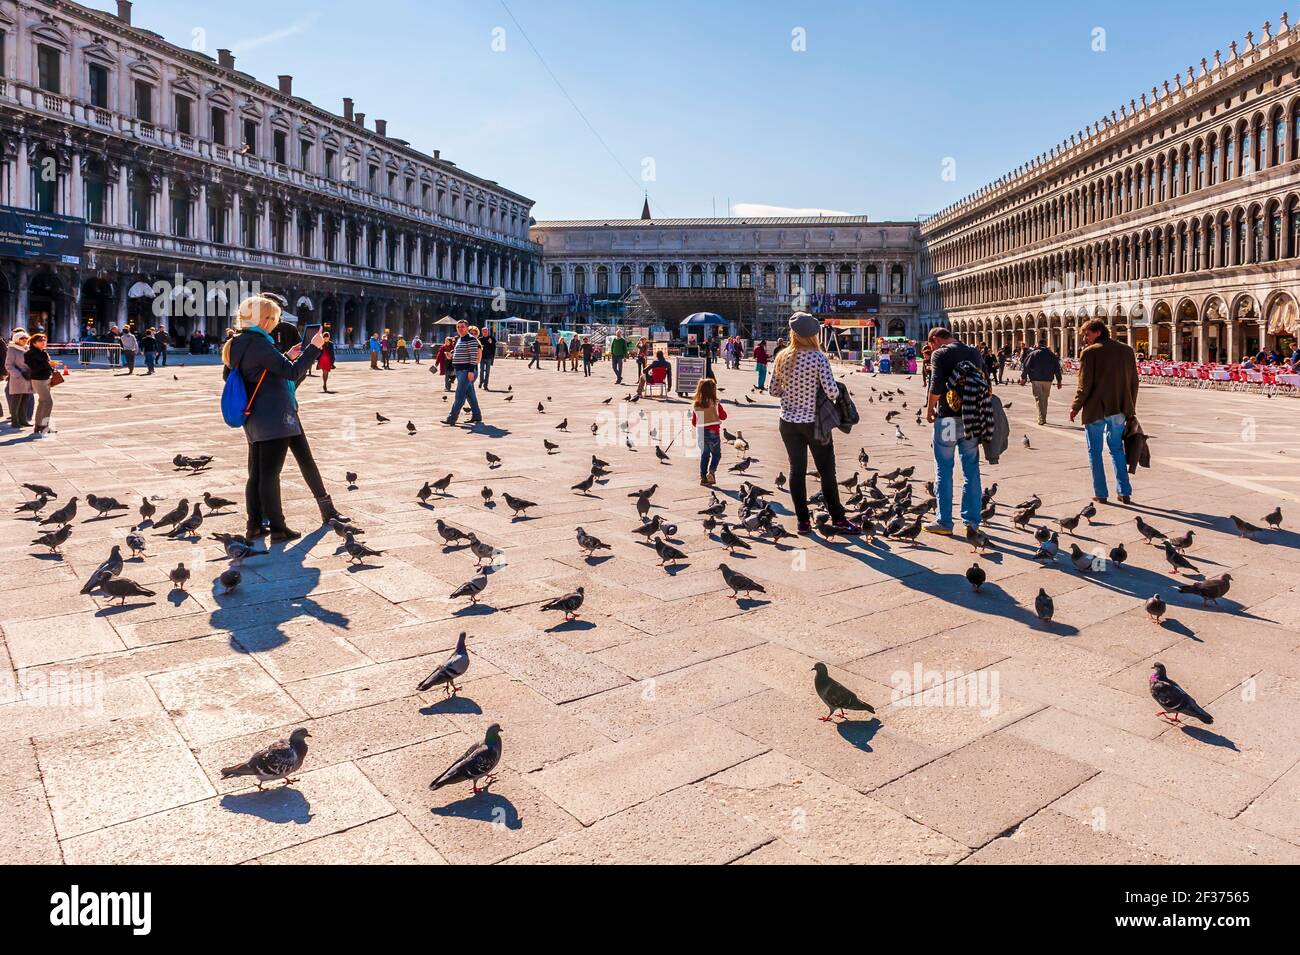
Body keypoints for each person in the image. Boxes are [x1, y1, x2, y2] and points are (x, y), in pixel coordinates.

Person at [223, 295, 336, 541]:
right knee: (270, 475)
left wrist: (284, 355)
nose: (275, 323)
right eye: (273, 319)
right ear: (264, 319)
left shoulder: (238, 342)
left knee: (257, 474)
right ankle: (278, 528)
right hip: (274, 417)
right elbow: (293, 372)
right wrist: (314, 347)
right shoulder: (260, 343)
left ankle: (254, 525)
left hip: (254, 418)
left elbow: (254, 371)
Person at [768, 313, 858, 537]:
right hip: (814, 423)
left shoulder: (782, 357)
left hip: (788, 423)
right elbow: (831, 391)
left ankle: (803, 522)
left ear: (793, 333)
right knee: (826, 471)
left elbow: (772, 391)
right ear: (814, 335)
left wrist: (791, 392)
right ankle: (837, 518)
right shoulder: (818, 358)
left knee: (796, 471)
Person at [1070, 318, 1139, 504]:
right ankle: (1124, 491)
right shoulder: (1127, 351)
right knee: (1117, 449)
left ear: (1098, 332)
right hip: (1119, 409)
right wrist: (1130, 407)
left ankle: (1101, 493)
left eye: (1087, 334)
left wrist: (1075, 407)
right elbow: (1134, 382)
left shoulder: (1090, 353)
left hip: (1095, 410)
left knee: (1095, 452)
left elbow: (1084, 386)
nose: (1085, 338)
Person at [924, 326, 985, 536]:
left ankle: (944, 521)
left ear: (936, 339)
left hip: (948, 419)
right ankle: (972, 521)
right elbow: (985, 382)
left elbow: (936, 385)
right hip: (971, 419)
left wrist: (930, 408)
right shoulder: (974, 352)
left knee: (944, 468)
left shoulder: (940, 354)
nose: (931, 348)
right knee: (971, 469)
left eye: (931, 344)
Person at [25, 333, 65, 436]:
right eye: (40, 340)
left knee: (43, 402)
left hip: (46, 379)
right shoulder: (30, 354)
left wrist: (52, 365)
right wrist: (48, 364)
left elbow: (45, 365)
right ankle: (44, 426)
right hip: (38, 380)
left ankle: (39, 425)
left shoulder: (43, 352)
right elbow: (34, 368)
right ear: (34, 343)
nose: (43, 342)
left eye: (44, 340)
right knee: (48, 402)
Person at [444, 319, 483, 425]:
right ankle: (477, 416)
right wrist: (451, 356)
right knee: (470, 395)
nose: (460, 328)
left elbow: (473, 357)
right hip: (460, 371)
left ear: (467, 328)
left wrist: (471, 371)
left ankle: (451, 418)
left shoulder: (471, 339)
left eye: (462, 326)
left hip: (467, 371)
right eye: (458, 327)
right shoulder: (460, 340)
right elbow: (460, 354)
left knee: (459, 395)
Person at [691, 376, 728, 486]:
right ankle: (711, 472)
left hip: (701, 433)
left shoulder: (696, 404)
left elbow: (694, 422)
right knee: (716, 454)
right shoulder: (715, 403)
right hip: (713, 432)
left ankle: (703, 476)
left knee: (705, 454)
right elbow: (723, 416)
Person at [1020, 337, 1063, 426]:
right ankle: (1044, 416)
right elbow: (1057, 368)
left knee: (1039, 399)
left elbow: (1026, 366)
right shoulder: (1051, 354)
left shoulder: (1033, 354)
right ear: (1045, 344)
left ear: (1038, 344)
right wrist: (1059, 380)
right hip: (1048, 380)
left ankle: (1041, 418)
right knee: (1045, 398)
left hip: (1036, 379)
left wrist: (1023, 378)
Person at [5, 329, 33, 429]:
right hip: (18, 379)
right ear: (17, 339)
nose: (25, 340)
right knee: (16, 401)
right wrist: (18, 374)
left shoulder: (27, 348)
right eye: (22, 338)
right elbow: (8, 365)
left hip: (28, 378)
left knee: (25, 400)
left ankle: (23, 420)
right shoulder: (12, 349)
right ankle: (15, 421)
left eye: (26, 338)